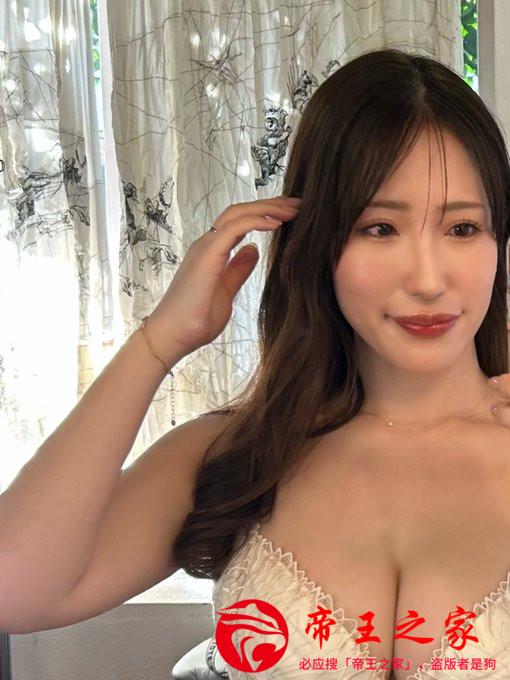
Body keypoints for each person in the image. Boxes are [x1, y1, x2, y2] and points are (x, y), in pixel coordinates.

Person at [0, 47, 509, 680]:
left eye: (462, 229)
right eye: (379, 228)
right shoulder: (237, 453)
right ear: (318, 243)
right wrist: (158, 343)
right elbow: (15, 588)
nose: (428, 280)